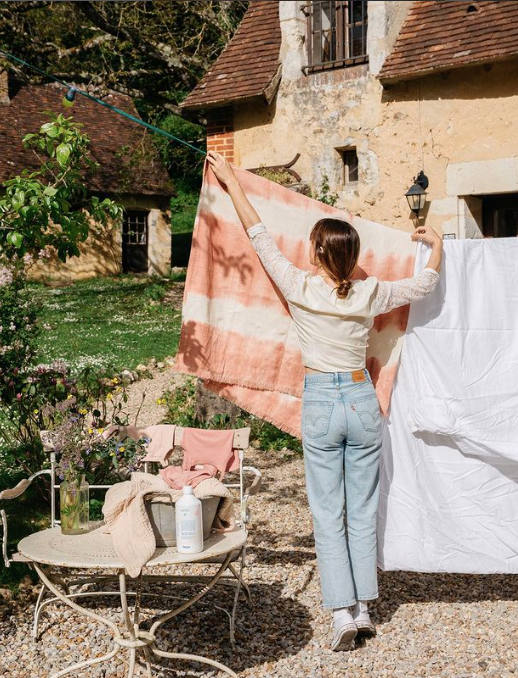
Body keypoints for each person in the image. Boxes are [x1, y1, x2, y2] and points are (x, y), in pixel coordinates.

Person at [206, 150, 443, 651]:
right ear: (352, 257)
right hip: (360, 398)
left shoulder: (298, 287)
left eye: (313, 246)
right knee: (360, 508)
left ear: (317, 253)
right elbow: (425, 283)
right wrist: (437, 245)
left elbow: (259, 237)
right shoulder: (370, 292)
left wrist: (230, 180)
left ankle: (341, 613)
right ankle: (362, 607)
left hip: (321, 400)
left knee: (326, 511)